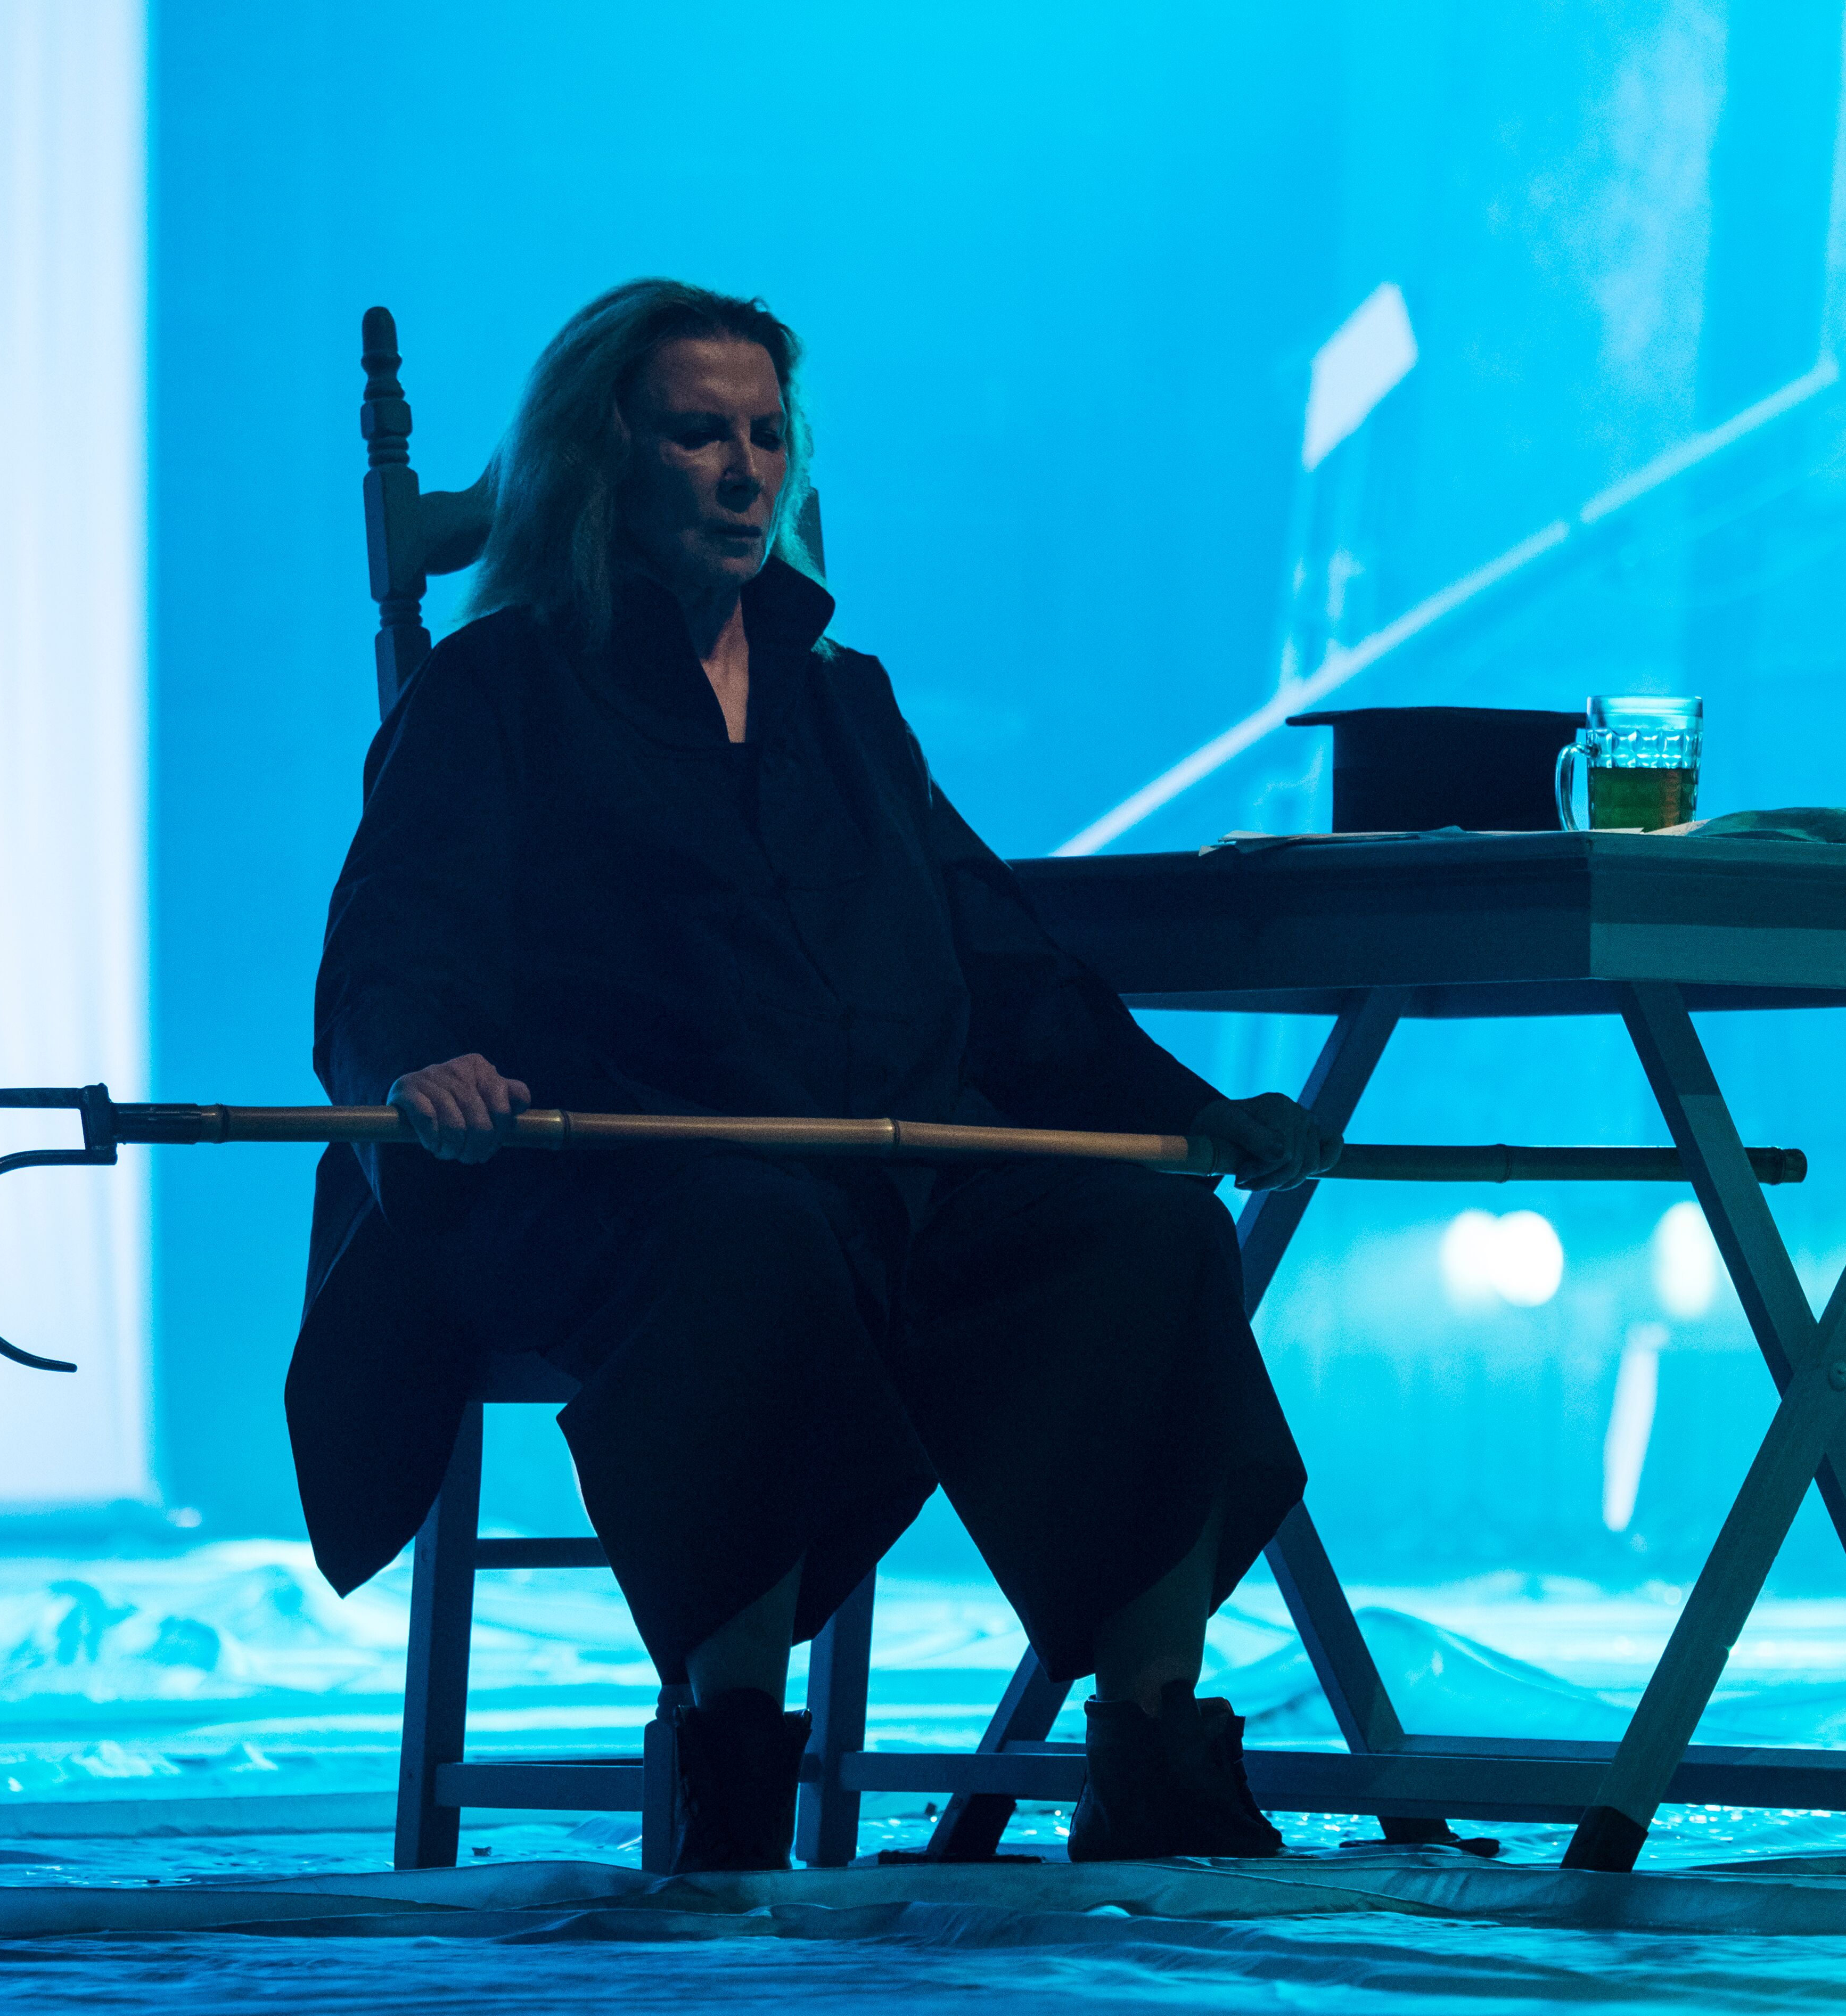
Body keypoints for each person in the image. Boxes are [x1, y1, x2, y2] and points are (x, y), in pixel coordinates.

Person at [291, 279, 1338, 1871]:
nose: (743, 474)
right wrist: (428, 1063)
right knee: (753, 1238)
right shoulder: (494, 687)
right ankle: (727, 1750)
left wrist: (1185, 1117)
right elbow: (392, 947)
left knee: (1137, 1230)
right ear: (604, 458)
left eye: (766, 437)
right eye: (696, 435)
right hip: (609, 1185)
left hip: (879, 1170)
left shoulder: (844, 700)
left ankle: (1150, 1745)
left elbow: (1002, 970)